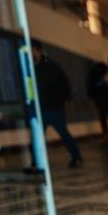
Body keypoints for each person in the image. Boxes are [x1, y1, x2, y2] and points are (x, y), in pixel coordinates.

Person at [31, 40, 83, 168]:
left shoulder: (51, 66)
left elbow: (63, 83)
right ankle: (36, 161)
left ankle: (76, 157)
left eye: (32, 50)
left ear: (38, 50)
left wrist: (64, 100)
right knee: (39, 136)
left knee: (63, 133)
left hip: (53, 107)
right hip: (41, 107)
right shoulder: (33, 67)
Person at [86, 61, 108, 137]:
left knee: (102, 115)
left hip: (98, 97)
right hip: (107, 96)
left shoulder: (92, 73)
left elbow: (90, 85)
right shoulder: (107, 73)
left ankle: (106, 133)